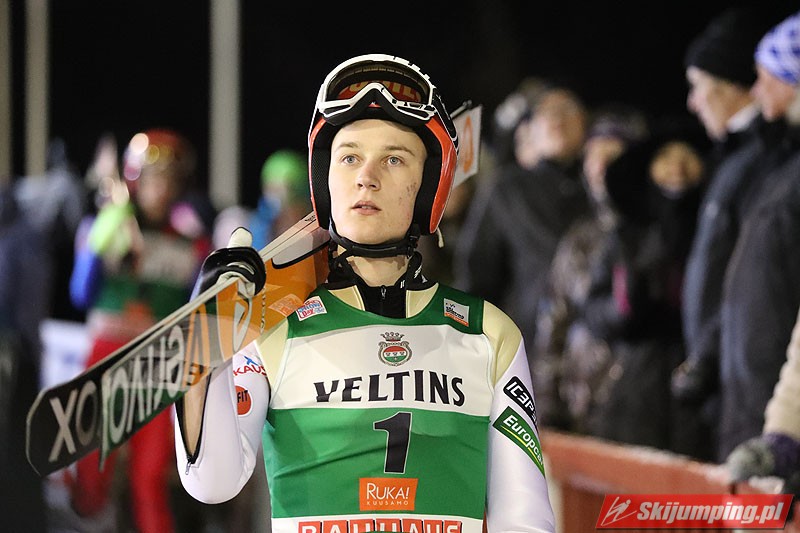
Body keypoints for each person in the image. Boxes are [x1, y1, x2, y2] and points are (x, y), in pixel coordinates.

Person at [174, 53, 556, 532]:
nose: (366, 177)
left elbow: (525, 519)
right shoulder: (273, 330)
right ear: (324, 179)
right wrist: (204, 341)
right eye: (349, 157)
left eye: (394, 159)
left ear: (428, 187)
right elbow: (211, 481)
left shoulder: (489, 334)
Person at [68, 128, 213, 532]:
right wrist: (98, 244)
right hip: (108, 352)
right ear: (135, 181)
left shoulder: (190, 239)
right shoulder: (106, 223)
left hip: (158, 358)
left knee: (151, 474)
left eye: (169, 180)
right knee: (93, 463)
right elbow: (80, 294)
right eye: (152, 179)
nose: (160, 189)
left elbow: (196, 307)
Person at [671, 4, 796, 413]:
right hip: (735, 373)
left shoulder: (765, 161)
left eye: (698, 86)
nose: (693, 103)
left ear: (730, 85)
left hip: (754, 377)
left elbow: (752, 276)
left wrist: (706, 360)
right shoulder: (733, 161)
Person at [713, 10, 800, 461]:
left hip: (767, 389)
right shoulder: (782, 167)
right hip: (761, 397)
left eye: (767, 76)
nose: (757, 90)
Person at [453, 79, 590, 360]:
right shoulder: (507, 189)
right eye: (546, 112)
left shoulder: (602, 190)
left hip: (595, 349)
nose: (558, 119)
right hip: (529, 349)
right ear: (530, 131)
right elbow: (477, 273)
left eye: (568, 110)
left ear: (584, 124)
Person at [532, 104, 649, 430]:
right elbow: (554, 322)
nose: (599, 168)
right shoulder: (580, 239)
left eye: (611, 157)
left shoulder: (656, 235)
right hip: (582, 407)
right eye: (592, 158)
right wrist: (546, 405)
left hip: (641, 406)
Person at [0, 184, 51, 533]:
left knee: (15, 447)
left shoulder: (21, 236)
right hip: (22, 354)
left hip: (15, 357)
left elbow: (18, 300)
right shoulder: (25, 233)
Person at [249, 148, 312, 250]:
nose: (278, 200)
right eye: (273, 189)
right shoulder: (256, 229)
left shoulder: (317, 231)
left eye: (287, 190)